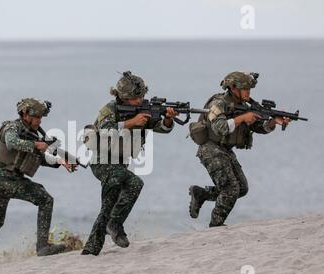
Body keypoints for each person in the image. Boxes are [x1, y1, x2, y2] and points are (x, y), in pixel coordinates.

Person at [81, 71, 178, 256]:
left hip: (120, 163)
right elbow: (104, 129)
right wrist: (131, 122)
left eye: (142, 96)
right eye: (136, 97)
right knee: (135, 183)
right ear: (124, 97)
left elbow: (162, 129)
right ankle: (115, 225)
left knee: (108, 206)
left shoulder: (143, 110)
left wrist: (168, 119)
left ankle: (90, 250)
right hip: (102, 161)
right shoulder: (109, 109)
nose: (141, 100)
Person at [0, 98, 75, 267]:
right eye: (36, 117)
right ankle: (42, 247)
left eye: (41, 118)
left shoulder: (31, 134)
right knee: (44, 199)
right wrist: (37, 145)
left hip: (5, 181)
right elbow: (12, 143)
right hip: (1, 180)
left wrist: (60, 162)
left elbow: (39, 159)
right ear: (25, 115)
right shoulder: (12, 127)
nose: (39, 121)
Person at [188, 72, 290, 227]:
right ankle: (215, 225)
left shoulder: (245, 106)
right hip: (210, 149)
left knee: (242, 188)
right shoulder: (217, 103)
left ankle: (201, 194)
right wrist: (242, 118)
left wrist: (272, 123)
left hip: (225, 150)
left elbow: (258, 127)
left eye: (250, 88)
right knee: (230, 189)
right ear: (234, 88)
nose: (249, 92)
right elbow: (220, 127)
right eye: (245, 88)